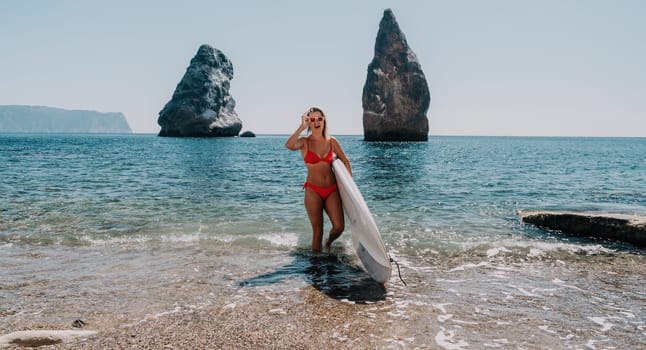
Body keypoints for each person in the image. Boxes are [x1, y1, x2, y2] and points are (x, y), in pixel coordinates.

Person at [285, 107, 352, 253]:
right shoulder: (304, 142)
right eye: (312, 119)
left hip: (331, 189)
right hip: (313, 191)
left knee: (339, 227)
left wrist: (350, 188)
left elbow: (345, 161)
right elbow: (289, 145)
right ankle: (316, 267)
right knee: (317, 232)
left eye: (319, 118)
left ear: (324, 120)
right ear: (309, 122)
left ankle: (328, 242)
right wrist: (301, 127)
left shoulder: (332, 141)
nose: (316, 122)